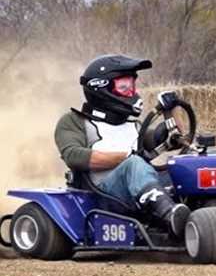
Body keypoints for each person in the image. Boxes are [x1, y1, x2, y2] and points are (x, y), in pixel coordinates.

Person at [54, 54, 190, 238]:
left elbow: (175, 136)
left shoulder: (133, 125)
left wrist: (171, 110)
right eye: (124, 87)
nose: (131, 92)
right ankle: (171, 215)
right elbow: (73, 155)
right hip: (104, 192)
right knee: (134, 164)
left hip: (139, 184)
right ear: (101, 88)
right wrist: (126, 158)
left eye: (132, 86)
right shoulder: (73, 121)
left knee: (192, 162)